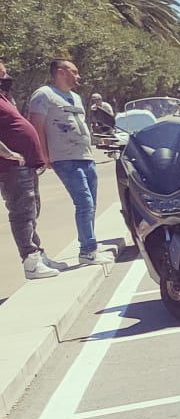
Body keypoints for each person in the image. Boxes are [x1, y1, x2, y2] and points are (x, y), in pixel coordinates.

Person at [26, 59, 111, 266]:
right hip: (64, 158)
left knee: (91, 203)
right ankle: (88, 251)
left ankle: (90, 248)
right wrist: (43, 155)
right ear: (61, 72)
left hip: (85, 156)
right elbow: (36, 125)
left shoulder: (76, 98)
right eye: (75, 71)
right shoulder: (44, 95)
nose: (78, 76)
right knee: (84, 202)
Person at [0, 62, 60, 279]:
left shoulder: (4, 97)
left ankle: (38, 254)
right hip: (11, 167)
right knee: (22, 212)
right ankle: (30, 261)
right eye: (1, 72)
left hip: (25, 165)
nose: (5, 74)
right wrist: (8, 153)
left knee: (32, 209)